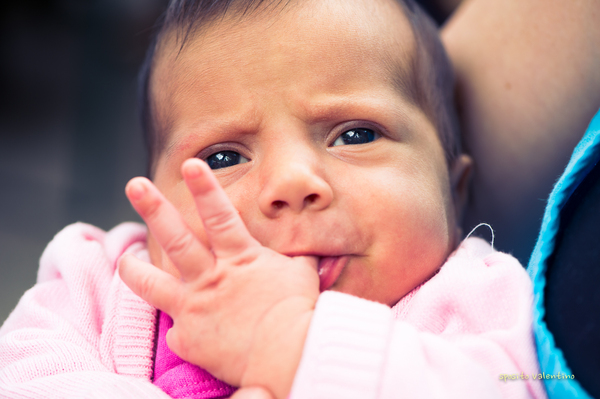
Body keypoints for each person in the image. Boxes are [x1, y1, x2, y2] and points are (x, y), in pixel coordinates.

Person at [0, 0, 546, 398]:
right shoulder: (107, 282)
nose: (290, 182)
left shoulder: (479, 300)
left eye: (354, 135)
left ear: (454, 189)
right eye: (223, 157)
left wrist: (291, 344)